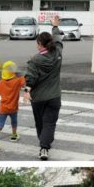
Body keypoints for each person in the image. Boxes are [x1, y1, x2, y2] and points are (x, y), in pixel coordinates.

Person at [23, 16, 64, 161]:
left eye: (37, 43)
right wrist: (55, 26)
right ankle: (45, 144)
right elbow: (58, 40)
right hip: (54, 96)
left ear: (40, 44)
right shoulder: (57, 53)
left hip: (38, 98)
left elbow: (30, 78)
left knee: (40, 122)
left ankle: (44, 145)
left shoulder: (35, 60)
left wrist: (26, 91)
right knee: (50, 123)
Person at [0, 61, 26, 151]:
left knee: (0, 124)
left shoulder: (1, 83)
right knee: (14, 122)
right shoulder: (17, 81)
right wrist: (19, 74)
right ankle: (14, 135)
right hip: (13, 108)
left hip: (3, 108)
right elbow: (24, 82)